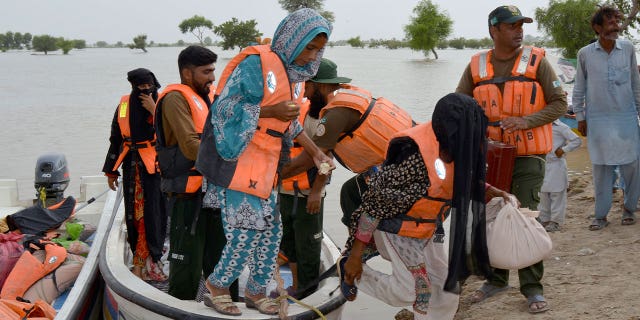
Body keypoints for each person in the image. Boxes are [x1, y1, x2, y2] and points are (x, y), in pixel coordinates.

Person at [195, 8, 335, 316]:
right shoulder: (255, 64)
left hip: (269, 166)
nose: (310, 55)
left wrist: (315, 152)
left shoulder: (297, 77)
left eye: (317, 49)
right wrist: (270, 113)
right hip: (240, 161)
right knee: (244, 231)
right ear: (292, 38)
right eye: (307, 46)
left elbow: (292, 123)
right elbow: (223, 110)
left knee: (272, 233)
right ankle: (217, 287)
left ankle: (256, 291)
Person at [339, 93, 501, 320]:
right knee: (410, 290)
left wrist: (488, 190)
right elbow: (374, 205)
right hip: (395, 226)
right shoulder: (413, 158)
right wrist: (356, 256)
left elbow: (461, 177)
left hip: (427, 228)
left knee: (446, 288)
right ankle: (352, 271)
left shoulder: (464, 148)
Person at [455, 5, 567, 314]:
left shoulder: (538, 62)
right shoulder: (476, 66)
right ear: (494, 30)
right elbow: (458, 105)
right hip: (490, 157)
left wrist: (526, 121)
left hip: (529, 155)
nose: (519, 30)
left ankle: (532, 288)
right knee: (493, 217)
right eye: (511, 25)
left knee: (525, 216)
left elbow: (560, 103)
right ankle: (497, 279)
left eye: (521, 25)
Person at [281, 57, 415, 230]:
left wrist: (271, 177)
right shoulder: (347, 95)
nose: (304, 95)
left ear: (319, 85)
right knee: (350, 192)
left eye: (306, 87)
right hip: (404, 160)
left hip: (403, 168)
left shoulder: (335, 114)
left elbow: (312, 159)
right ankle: (363, 241)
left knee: (352, 196)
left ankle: (364, 244)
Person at [154, 45, 235, 301]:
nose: (212, 77)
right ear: (187, 74)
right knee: (186, 266)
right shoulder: (175, 99)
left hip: (214, 194)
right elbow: (190, 146)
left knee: (223, 262)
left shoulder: (207, 96)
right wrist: (232, 158)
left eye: (213, 70)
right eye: (206, 72)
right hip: (187, 198)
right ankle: (181, 307)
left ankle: (225, 304)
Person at [572, 5, 640, 231]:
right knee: (601, 168)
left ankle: (629, 208)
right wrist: (580, 117)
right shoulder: (585, 54)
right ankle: (600, 215)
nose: (616, 27)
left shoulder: (628, 48)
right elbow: (579, 89)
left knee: (631, 166)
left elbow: (635, 84)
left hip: (626, 118)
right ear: (597, 27)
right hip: (598, 120)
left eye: (617, 22)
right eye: (610, 23)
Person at [102, 68, 167, 281]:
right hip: (131, 165)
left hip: (155, 167)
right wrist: (110, 170)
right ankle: (139, 263)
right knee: (135, 217)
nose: (146, 90)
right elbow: (115, 138)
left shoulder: (163, 102)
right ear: (132, 87)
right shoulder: (123, 106)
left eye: (149, 86)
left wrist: (154, 110)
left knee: (153, 215)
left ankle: (149, 262)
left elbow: (174, 133)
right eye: (140, 87)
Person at [538, 119, 582, 232]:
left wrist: (563, 149)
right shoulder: (538, 124)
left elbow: (576, 140)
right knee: (542, 193)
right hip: (541, 162)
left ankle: (556, 221)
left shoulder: (562, 127)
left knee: (557, 193)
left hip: (556, 164)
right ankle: (544, 219)